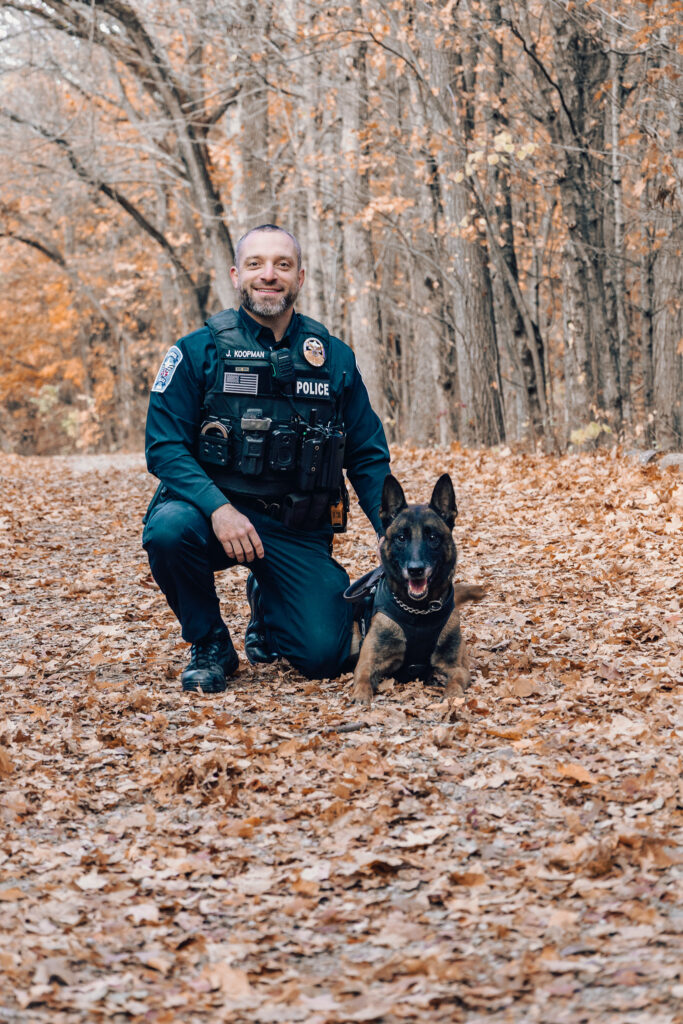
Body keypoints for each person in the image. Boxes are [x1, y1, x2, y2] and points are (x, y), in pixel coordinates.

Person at [142, 224, 390, 693]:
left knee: (325, 657)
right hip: (211, 514)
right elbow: (164, 448)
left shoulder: (334, 359)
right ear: (237, 275)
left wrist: (389, 529)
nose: (269, 275)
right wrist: (219, 509)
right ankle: (211, 644)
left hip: (295, 526)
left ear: (300, 277)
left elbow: (367, 455)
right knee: (168, 531)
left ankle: (269, 605)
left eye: (282, 264)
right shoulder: (197, 353)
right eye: (256, 264)